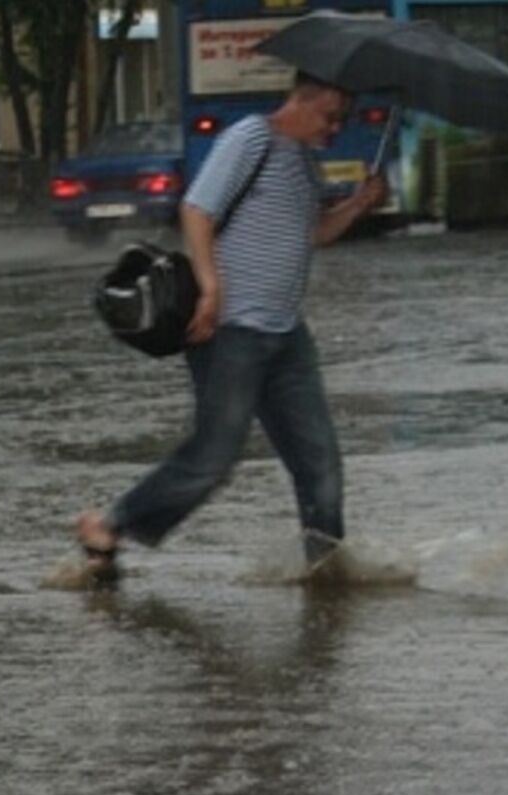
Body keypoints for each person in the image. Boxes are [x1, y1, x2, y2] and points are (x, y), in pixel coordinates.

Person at [75, 71, 388, 581]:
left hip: (286, 336)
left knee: (321, 464)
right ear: (301, 100)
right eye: (331, 116)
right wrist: (210, 289)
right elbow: (197, 209)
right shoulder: (251, 138)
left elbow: (311, 234)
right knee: (214, 458)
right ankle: (109, 524)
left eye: (343, 120)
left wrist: (357, 204)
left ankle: (327, 572)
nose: (336, 128)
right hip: (229, 332)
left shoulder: (304, 162)